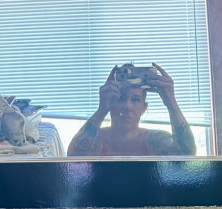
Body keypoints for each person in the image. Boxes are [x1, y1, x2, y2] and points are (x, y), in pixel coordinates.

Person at [67, 63, 196, 156]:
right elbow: (73, 157)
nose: (127, 107)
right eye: (121, 98)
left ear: (144, 108)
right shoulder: (97, 141)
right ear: (111, 103)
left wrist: (171, 103)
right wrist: (102, 109)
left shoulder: (155, 141)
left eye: (135, 100)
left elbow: (188, 155)